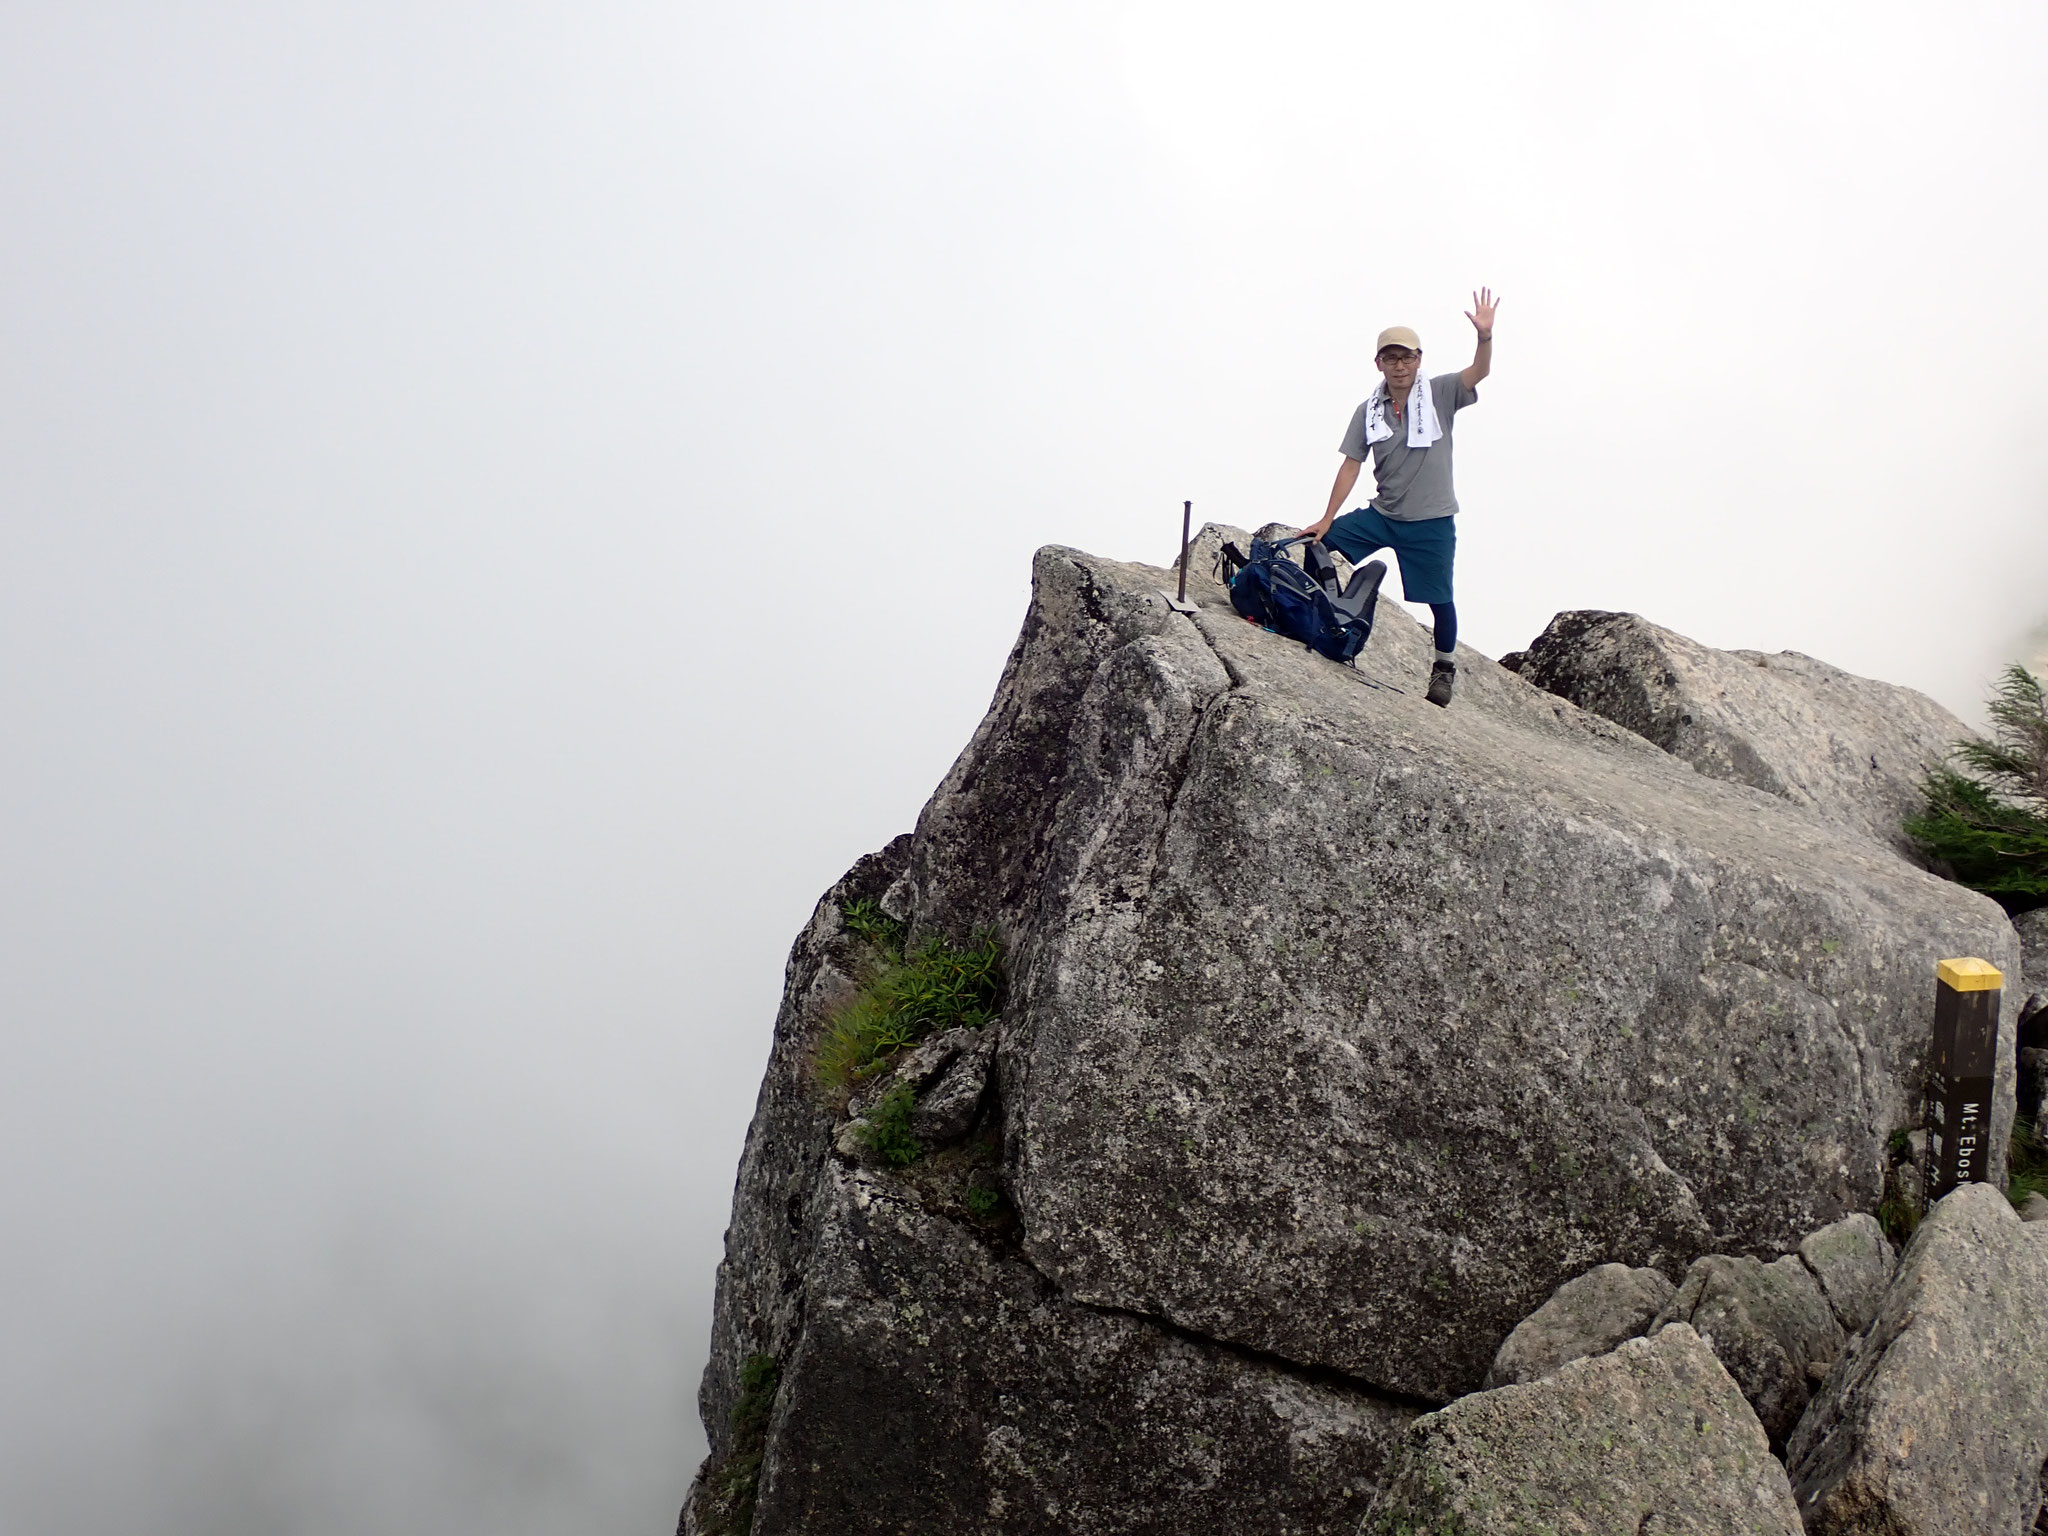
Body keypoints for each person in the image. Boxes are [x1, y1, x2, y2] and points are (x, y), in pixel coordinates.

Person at [1301, 289, 1497, 707]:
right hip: (1383, 514)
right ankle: (1329, 620)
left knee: (1440, 600)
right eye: (1390, 358)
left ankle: (1443, 668)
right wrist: (1327, 518)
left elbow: (1478, 373)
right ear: (1378, 364)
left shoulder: (1441, 393)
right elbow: (1351, 464)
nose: (1400, 365)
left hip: (1431, 521)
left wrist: (1484, 337)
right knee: (1319, 545)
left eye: (1407, 357)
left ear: (1419, 359)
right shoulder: (1368, 410)